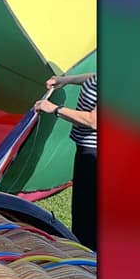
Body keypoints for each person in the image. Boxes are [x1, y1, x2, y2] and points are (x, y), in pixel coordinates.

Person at [35, 73, 97, 249]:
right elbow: (93, 77)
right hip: (87, 148)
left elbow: (94, 121)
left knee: (87, 211)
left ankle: (87, 256)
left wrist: (55, 109)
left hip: (95, 153)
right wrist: (66, 80)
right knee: (83, 207)